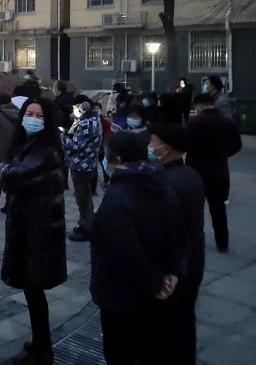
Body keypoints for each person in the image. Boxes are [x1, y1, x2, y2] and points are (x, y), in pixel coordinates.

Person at [91, 131, 186, 364]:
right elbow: (181, 235)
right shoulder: (162, 185)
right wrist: (170, 275)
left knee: (120, 353)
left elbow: (125, 251)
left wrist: (154, 282)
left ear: (118, 161)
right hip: (158, 288)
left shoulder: (116, 199)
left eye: (108, 157)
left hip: (122, 295)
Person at [0, 98, 67, 364]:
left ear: (46, 121)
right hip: (30, 224)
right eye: (29, 113)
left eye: (39, 115)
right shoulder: (27, 144)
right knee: (32, 291)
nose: (33, 119)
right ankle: (40, 343)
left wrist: (3, 171)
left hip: (37, 229)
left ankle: (42, 350)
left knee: (34, 289)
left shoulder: (44, 149)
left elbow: (13, 176)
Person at [148, 124, 205, 364]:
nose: (149, 147)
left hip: (174, 265)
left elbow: (161, 232)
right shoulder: (189, 173)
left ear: (166, 147)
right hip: (192, 259)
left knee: (168, 328)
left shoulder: (167, 183)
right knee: (184, 323)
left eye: (152, 142)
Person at [186, 94, 241, 253]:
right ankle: (222, 243)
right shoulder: (228, 121)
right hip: (219, 171)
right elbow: (237, 145)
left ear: (199, 106)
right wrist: (223, 154)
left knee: (196, 208)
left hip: (196, 170)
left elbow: (185, 143)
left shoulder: (194, 122)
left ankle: (196, 241)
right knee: (218, 209)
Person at [61, 100, 102, 242]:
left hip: (81, 165)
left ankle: (87, 228)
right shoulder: (94, 119)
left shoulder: (87, 124)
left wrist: (63, 136)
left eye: (75, 107)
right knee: (85, 197)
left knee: (83, 198)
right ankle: (86, 223)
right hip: (87, 164)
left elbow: (75, 145)